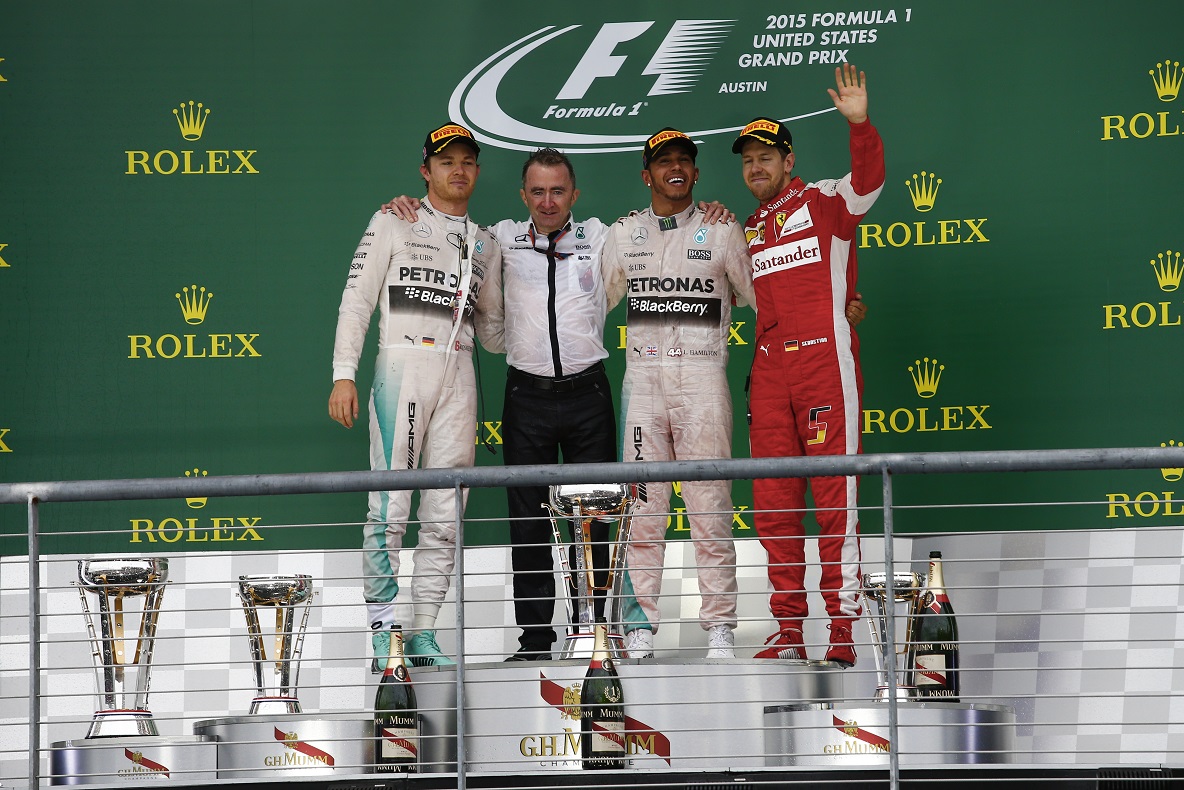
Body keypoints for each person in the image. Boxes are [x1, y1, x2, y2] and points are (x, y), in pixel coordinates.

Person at [385, 150, 733, 660]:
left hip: (588, 394)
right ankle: (535, 641)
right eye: (538, 192)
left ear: (575, 194)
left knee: (594, 523)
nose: (547, 202)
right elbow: (458, 250)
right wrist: (411, 208)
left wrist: (708, 213)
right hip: (525, 397)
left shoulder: (604, 236)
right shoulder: (498, 238)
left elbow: (662, 239)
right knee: (528, 525)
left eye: (557, 191)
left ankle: (593, 634)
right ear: (523, 195)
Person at [328, 123, 502, 671]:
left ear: (477, 171)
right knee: (390, 505)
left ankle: (423, 629)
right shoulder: (392, 220)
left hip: (460, 373)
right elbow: (356, 301)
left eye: (467, 161)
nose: (458, 170)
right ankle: (384, 629)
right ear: (426, 170)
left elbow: (495, 332)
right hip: (402, 365)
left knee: (447, 510)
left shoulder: (487, 243)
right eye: (447, 161)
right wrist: (343, 374)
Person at [733, 64, 885, 666]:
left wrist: (860, 126)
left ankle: (842, 631)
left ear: (788, 161)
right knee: (773, 504)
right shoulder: (748, 227)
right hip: (770, 374)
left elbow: (868, 184)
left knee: (834, 499)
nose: (756, 167)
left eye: (766, 157)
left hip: (824, 363)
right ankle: (790, 631)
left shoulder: (824, 200)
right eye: (748, 160)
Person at [601, 128, 756, 659]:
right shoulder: (624, 234)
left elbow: (766, 295)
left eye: (684, 161)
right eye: (664, 161)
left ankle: (720, 626)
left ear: (695, 172)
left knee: (710, 507)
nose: (675, 168)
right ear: (647, 175)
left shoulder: (723, 228)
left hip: (703, 377)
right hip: (642, 382)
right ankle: (639, 625)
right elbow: (588, 303)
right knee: (643, 510)